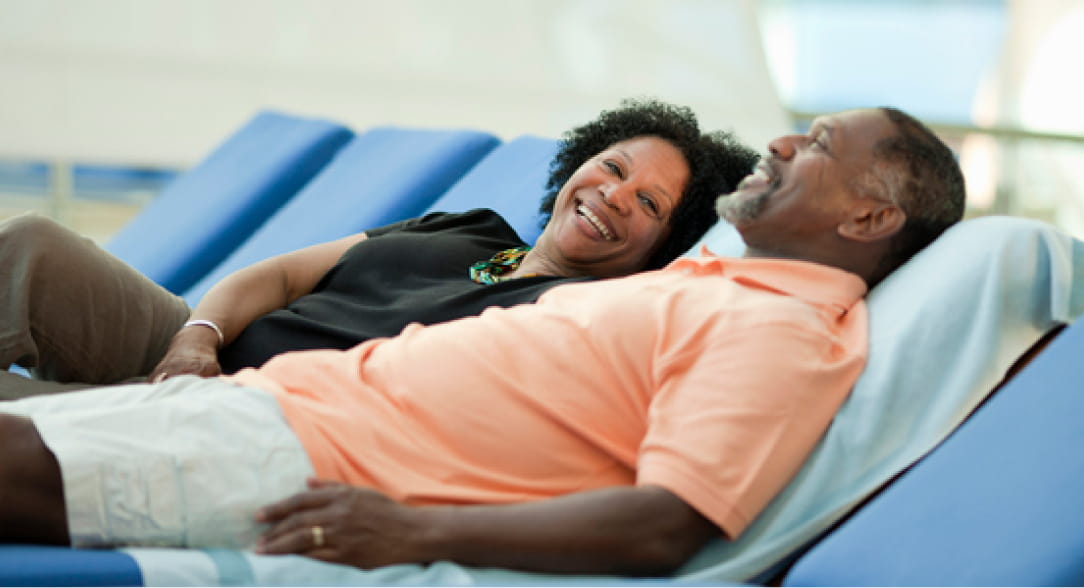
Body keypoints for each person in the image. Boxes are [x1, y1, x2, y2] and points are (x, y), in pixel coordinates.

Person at [0, 106, 966, 576]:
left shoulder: (780, 329)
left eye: (820, 145)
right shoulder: (705, 283)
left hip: (314, 451)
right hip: (271, 402)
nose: (786, 145)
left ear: (871, 222)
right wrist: (203, 339)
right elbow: (288, 275)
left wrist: (413, 531)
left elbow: (668, 523)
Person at [0, 98, 757, 399]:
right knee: (31, 246)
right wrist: (198, 337)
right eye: (613, 166)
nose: (613, 194)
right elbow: (281, 273)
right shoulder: (469, 227)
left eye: (649, 204)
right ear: (580, 162)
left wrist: (215, 386)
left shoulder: (576, 315)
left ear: (664, 245)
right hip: (188, 350)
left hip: (241, 416)